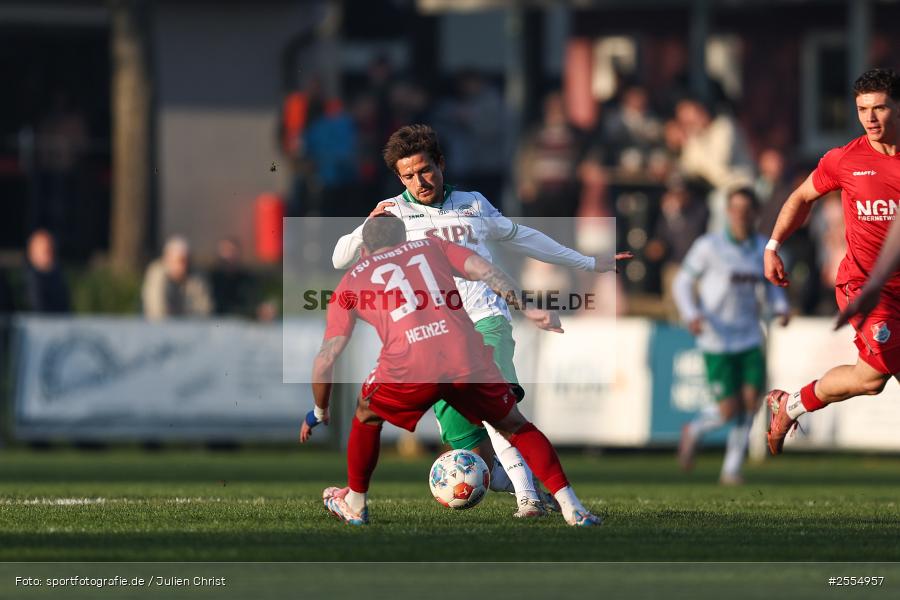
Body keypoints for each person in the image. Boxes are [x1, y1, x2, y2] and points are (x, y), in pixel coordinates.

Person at [332, 124, 630, 517]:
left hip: (486, 318)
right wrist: (365, 227)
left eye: (425, 170)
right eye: (408, 176)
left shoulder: (474, 203)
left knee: (499, 411)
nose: (419, 181)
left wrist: (588, 262)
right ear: (398, 178)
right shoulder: (393, 213)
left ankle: (529, 499)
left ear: (441, 163)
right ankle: (527, 484)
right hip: (435, 337)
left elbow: (522, 236)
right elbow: (340, 257)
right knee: (471, 451)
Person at [301, 215, 601, 527]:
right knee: (515, 425)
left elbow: (326, 357)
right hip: (464, 354)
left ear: (364, 250)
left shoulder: (351, 280)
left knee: (366, 414)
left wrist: (319, 412)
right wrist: (528, 306)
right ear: (404, 239)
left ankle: (355, 501)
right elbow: (486, 271)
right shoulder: (431, 246)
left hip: (409, 365)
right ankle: (573, 508)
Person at [764, 68, 900, 455]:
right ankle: (788, 405)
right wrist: (773, 245)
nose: (870, 119)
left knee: (870, 380)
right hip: (866, 290)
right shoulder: (846, 159)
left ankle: (788, 404)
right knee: (874, 376)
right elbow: (801, 198)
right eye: (862, 109)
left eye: (880, 108)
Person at [674, 188, 790, 484]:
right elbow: (682, 283)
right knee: (729, 409)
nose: (740, 215)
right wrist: (692, 314)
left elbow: (772, 285)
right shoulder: (709, 246)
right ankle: (696, 429)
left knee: (752, 402)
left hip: (750, 335)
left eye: (746, 209)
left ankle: (731, 468)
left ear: (755, 213)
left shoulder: (763, 248)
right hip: (716, 338)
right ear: (727, 212)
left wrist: (781, 308)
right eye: (735, 208)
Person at [142, 236, 213, 320]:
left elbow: (204, 309)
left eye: (187, 260)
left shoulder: (196, 277)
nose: (185, 265)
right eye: (181, 260)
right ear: (168, 259)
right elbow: (156, 311)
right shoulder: (157, 274)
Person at [24, 229, 70, 313]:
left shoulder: (58, 277)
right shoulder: (29, 281)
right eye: (46, 251)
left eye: (51, 250)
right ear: (32, 253)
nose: (50, 254)